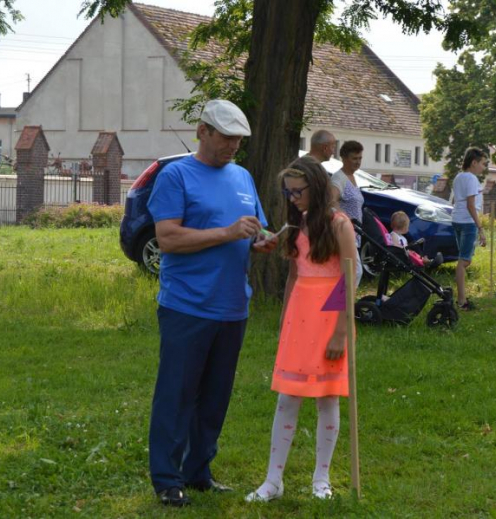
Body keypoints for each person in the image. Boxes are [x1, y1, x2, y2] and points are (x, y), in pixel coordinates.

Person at [146, 99, 277, 508]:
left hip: (232, 306)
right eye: (227, 137)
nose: (234, 146)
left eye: (239, 140)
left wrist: (260, 241)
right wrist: (227, 233)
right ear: (202, 131)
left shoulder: (242, 176)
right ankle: (167, 478)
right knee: (177, 394)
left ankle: (198, 471)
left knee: (216, 396)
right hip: (187, 306)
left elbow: (251, 230)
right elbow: (168, 238)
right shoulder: (176, 176)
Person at [246, 155, 358, 502]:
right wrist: (285, 320)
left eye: (298, 191)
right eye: (288, 192)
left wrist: (340, 332)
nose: (293, 198)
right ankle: (273, 480)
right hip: (300, 317)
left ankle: (321, 478)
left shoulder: (339, 225)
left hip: (330, 318)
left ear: (317, 187)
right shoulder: (295, 225)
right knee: (287, 398)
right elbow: (294, 277)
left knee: (327, 398)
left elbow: (349, 277)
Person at [451, 147, 488, 310]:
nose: (484, 167)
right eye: (482, 164)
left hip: (457, 220)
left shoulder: (458, 177)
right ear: (474, 162)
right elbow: (471, 205)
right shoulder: (472, 179)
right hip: (467, 222)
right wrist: (480, 228)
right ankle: (461, 301)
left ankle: (461, 297)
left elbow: (457, 200)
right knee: (464, 260)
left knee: (463, 259)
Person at [330, 140, 365, 285]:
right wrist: (344, 220)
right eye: (354, 158)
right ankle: (343, 300)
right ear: (344, 158)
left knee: (348, 273)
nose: (358, 162)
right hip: (343, 233)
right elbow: (331, 201)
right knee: (355, 272)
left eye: (360, 158)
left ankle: (342, 299)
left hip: (354, 234)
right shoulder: (339, 178)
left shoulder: (353, 177)